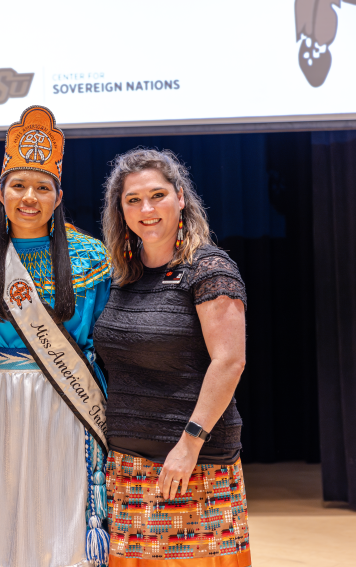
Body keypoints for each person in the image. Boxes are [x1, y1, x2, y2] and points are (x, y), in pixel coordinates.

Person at [0, 105, 112, 567]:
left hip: (66, 401)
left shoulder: (89, 257)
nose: (29, 197)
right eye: (18, 186)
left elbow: (103, 339)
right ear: (0, 192)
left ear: (57, 195)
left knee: (61, 514)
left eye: (42, 188)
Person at [93, 148, 251, 566]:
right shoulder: (122, 275)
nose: (147, 209)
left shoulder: (209, 268)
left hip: (191, 466)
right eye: (133, 200)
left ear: (180, 198)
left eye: (157, 195)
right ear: (121, 209)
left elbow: (229, 362)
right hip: (127, 469)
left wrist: (188, 446)